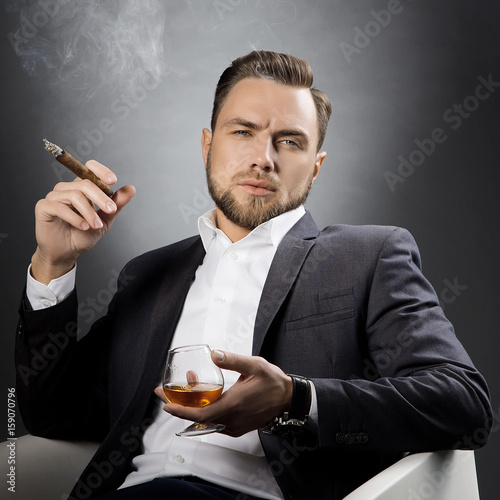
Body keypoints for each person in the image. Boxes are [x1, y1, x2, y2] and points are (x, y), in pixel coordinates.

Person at [16, 51, 492, 500]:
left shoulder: (369, 256)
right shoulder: (149, 274)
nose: (263, 158)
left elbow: (464, 403)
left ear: (316, 166)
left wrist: (295, 399)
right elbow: (49, 414)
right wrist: (54, 264)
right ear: (207, 145)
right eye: (242, 132)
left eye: (289, 141)